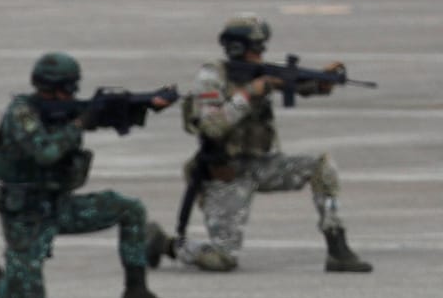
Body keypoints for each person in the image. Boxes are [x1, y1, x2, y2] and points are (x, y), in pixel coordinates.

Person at [149, 14, 370, 274]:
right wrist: (249, 94)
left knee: (321, 166)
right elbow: (211, 126)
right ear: (237, 47)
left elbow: (296, 85)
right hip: (223, 172)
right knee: (222, 260)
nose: (260, 53)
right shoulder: (211, 76)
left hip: (259, 164)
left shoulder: (260, 72)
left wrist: (322, 82)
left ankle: (337, 246)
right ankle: (165, 244)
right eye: (256, 47)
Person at [0, 53, 177, 298]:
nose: (74, 93)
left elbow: (104, 115)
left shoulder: (65, 112)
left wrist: (147, 103)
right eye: (71, 87)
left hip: (59, 206)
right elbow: (45, 151)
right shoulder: (21, 113)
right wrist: (81, 123)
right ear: (57, 87)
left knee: (131, 209)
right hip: (25, 216)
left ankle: (136, 292)